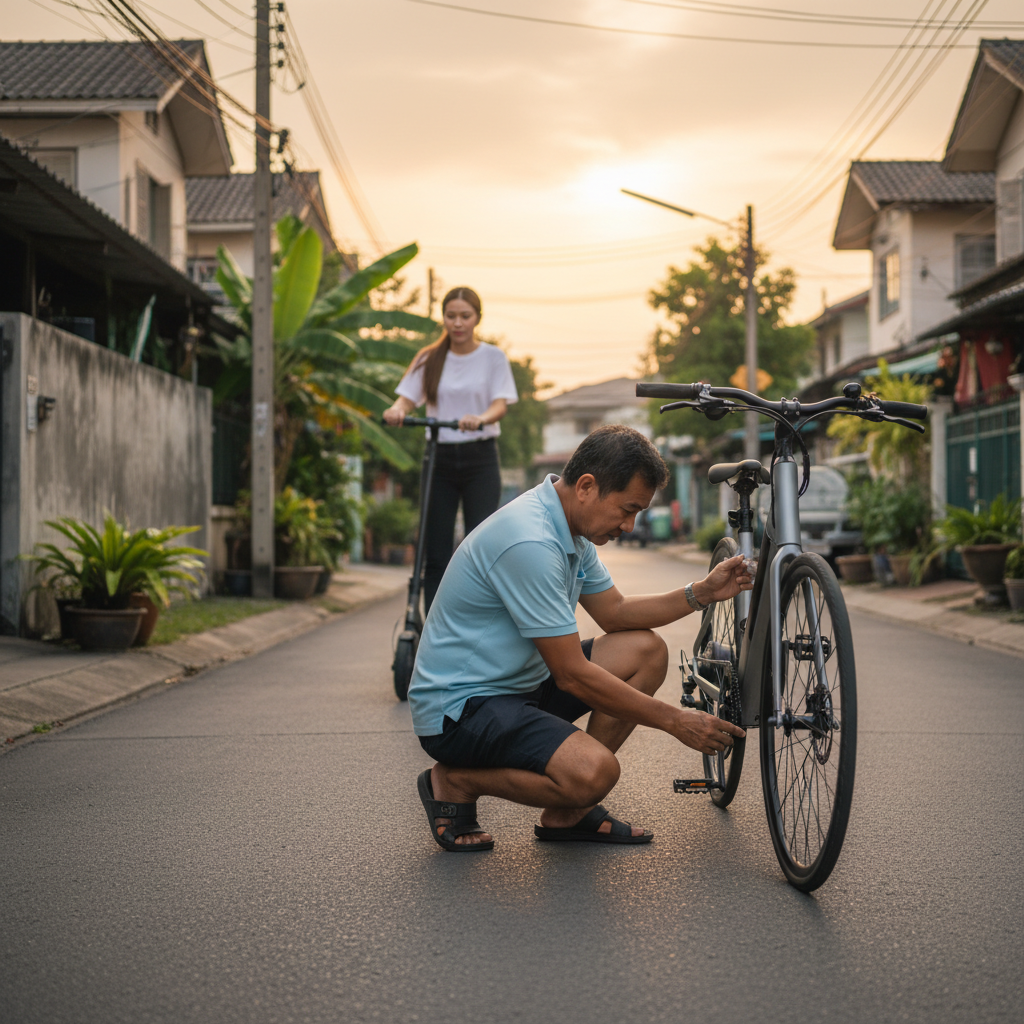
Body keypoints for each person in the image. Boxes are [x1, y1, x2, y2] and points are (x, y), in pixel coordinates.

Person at [409, 424, 750, 852]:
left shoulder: (570, 527)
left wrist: (702, 593)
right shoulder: (530, 540)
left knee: (644, 650)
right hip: (461, 709)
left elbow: (616, 612)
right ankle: (455, 781)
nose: (629, 525)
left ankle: (568, 812)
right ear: (587, 486)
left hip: (519, 687)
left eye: (638, 514)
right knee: (594, 773)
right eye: (626, 509)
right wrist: (675, 721)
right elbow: (571, 674)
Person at [383, 287, 518, 613]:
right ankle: (433, 627)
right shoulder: (429, 357)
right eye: (451, 316)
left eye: (465, 316)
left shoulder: (492, 357)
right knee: (437, 553)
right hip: (439, 457)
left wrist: (480, 419)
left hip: (480, 458)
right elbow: (406, 398)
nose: (457, 323)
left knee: (480, 545)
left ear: (477, 319)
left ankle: (479, 621)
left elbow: (500, 405)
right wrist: (396, 409)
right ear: (443, 317)